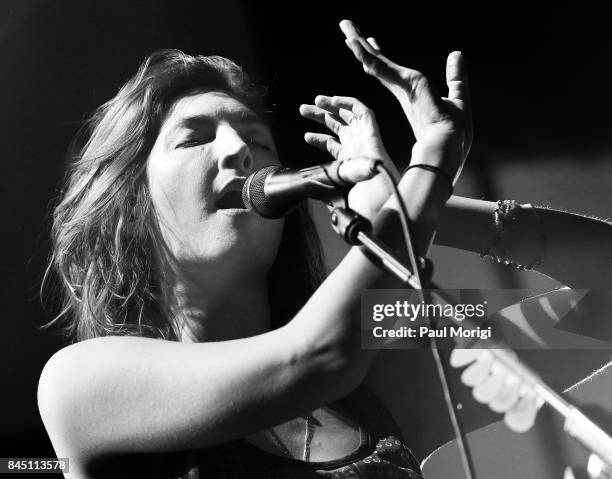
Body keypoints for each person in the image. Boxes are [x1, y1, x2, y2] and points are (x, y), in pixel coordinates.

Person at [37, 19, 611, 479]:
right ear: (132, 203)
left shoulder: (381, 359)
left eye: (257, 139)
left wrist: (399, 199)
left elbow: (603, 302)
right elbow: (311, 357)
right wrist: (426, 171)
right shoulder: (81, 383)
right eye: (195, 136)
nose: (240, 150)